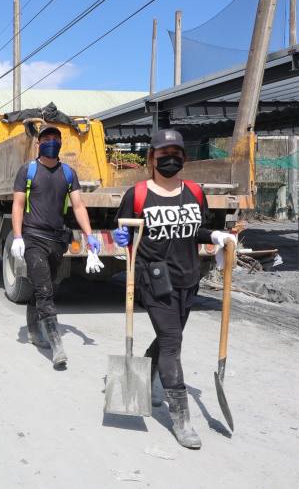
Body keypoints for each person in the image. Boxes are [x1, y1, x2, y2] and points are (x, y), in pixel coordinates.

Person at [113, 129, 236, 449]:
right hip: (153, 279)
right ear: (152, 158)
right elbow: (122, 229)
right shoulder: (138, 194)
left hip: (188, 278)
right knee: (172, 341)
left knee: (170, 337)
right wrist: (121, 238)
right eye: (163, 154)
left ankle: (147, 376)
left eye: (176, 154)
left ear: (184, 157)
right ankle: (181, 419)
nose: (170, 159)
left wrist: (216, 237)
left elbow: (196, 230)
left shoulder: (194, 191)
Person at [11, 125, 101, 370]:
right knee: (44, 291)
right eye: (47, 138)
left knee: (46, 286)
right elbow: (17, 205)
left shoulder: (68, 173)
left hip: (57, 240)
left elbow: (78, 206)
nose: (51, 141)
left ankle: (32, 329)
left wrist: (90, 236)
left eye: (55, 138)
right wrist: (18, 236)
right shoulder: (28, 170)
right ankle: (57, 346)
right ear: (38, 144)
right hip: (33, 237)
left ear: (61, 143)